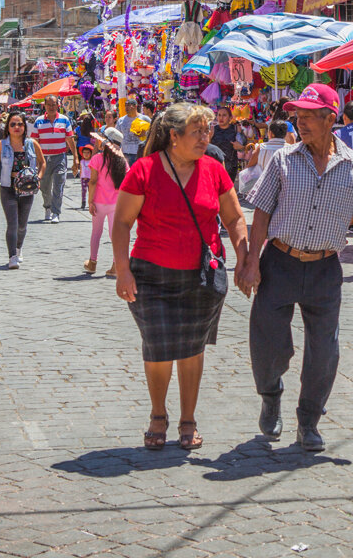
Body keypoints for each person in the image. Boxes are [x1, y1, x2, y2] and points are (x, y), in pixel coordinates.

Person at [238, 83, 353, 452]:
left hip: (324, 270)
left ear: (330, 118)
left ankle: (309, 420)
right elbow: (261, 214)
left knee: (325, 350)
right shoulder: (284, 160)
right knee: (269, 344)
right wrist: (252, 260)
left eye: (307, 116)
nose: (299, 122)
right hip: (280, 263)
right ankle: (271, 397)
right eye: (297, 115)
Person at [111, 103, 250, 451]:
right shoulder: (143, 171)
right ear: (173, 136)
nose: (206, 137)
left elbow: (234, 218)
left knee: (191, 349)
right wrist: (122, 270)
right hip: (151, 275)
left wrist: (244, 258)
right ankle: (158, 415)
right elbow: (122, 223)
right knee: (157, 348)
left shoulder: (214, 170)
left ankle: (188, 419)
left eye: (207, 131)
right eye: (197, 132)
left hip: (201, 276)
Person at [0, 111, 46, 270]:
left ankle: (19, 248)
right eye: (13, 124)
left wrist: (38, 178)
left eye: (20, 124)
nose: (16, 127)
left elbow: (42, 163)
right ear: (7, 127)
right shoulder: (1, 145)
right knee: (12, 224)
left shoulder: (32, 144)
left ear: (24, 126)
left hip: (27, 188)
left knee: (22, 224)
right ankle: (12, 256)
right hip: (8, 187)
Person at [83, 127, 127, 277]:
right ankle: (115, 265)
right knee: (115, 235)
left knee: (96, 232)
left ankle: (92, 263)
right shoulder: (122, 161)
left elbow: (93, 182)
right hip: (117, 204)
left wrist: (90, 201)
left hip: (99, 203)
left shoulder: (97, 159)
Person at [32, 95, 76, 223]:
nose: (51, 107)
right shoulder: (38, 121)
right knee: (44, 187)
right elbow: (35, 141)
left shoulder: (64, 120)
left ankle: (56, 212)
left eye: (54, 104)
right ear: (44, 106)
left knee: (58, 185)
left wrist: (75, 159)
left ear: (58, 105)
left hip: (60, 157)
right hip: (44, 159)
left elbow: (70, 139)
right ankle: (48, 207)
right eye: (49, 104)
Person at [237, 120, 289, 197]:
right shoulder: (291, 149)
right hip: (285, 190)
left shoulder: (261, 148)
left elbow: (250, 166)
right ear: (285, 134)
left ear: (270, 133)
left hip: (264, 191)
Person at [209, 103, 243, 183]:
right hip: (215, 166)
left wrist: (240, 147)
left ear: (230, 118)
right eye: (219, 115)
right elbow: (207, 148)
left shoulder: (235, 129)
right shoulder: (213, 130)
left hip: (231, 167)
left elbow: (244, 147)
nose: (221, 118)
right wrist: (209, 137)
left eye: (224, 115)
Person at [118, 99, 149, 165]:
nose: (126, 108)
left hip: (140, 154)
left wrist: (145, 133)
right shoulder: (121, 121)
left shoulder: (144, 118)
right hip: (125, 154)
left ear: (135, 106)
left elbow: (153, 131)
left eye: (128, 105)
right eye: (125, 105)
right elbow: (117, 136)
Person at [78, 145, 94, 209]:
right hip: (84, 178)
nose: (86, 154)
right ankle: (83, 202)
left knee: (91, 191)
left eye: (88, 153)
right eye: (84, 153)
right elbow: (81, 170)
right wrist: (81, 177)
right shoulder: (82, 161)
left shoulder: (92, 161)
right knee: (84, 191)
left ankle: (91, 202)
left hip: (91, 179)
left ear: (91, 153)